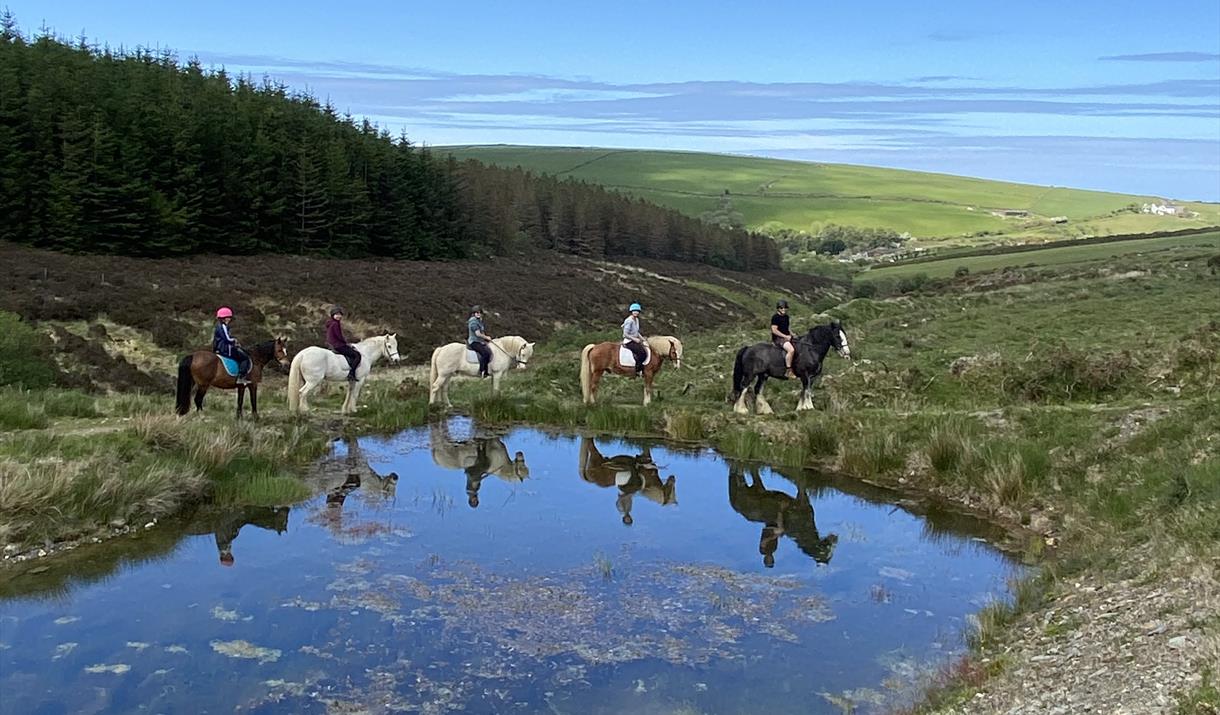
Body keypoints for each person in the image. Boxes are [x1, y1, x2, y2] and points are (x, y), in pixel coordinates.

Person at [212, 307, 251, 384]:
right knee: (244, 358)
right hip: (225, 349)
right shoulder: (223, 326)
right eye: (228, 317)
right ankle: (241, 377)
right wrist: (234, 340)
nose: (229, 319)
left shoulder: (219, 326)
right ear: (224, 318)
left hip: (220, 348)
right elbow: (226, 339)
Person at [325, 306, 360, 382]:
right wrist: (346, 343)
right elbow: (339, 336)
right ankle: (351, 374)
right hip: (338, 345)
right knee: (357, 355)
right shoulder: (335, 324)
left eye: (340, 314)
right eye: (337, 314)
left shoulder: (330, 323)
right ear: (333, 315)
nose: (339, 316)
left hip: (332, 344)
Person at [770, 299, 796, 378]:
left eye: (785, 308)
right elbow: (774, 330)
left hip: (786, 336)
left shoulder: (786, 317)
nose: (783, 309)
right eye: (781, 308)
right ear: (778, 308)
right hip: (778, 338)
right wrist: (785, 336)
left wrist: (792, 334)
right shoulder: (775, 317)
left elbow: (787, 328)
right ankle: (788, 371)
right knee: (791, 350)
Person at [467, 306, 493, 378]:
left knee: (488, 351)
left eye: (479, 313)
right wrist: (486, 337)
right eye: (476, 313)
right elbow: (478, 334)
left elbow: (482, 332)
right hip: (474, 342)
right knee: (485, 354)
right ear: (474, 314)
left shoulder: (479, 321)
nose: (478, 314)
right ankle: (482, 371)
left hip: (480, 341)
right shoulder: (473, 322)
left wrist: (486, 338)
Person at [622, 302, 647, 376]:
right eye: (634, 311)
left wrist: (642, 338)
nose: (636, 312)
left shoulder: (637, 320)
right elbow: (625, 334)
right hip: (629, 341)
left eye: (637, 311)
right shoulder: (629, 321)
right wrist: (635, 339)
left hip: (635, 339)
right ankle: (637, 370)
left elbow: (636, 332)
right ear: (631, 311)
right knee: (642, 353)